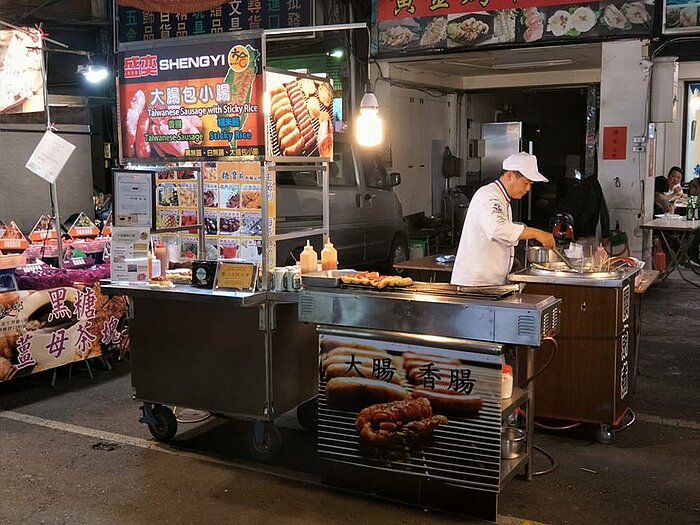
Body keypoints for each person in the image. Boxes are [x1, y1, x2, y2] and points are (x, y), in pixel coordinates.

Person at [451, 152, 555, 286]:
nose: (528, 189)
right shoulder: (488, 195)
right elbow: (497, 229)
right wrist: (537, 233)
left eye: (531, 184)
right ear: (510, 175)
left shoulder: (503, 199)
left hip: (490, 284)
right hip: (475, 285)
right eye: (526, 183)